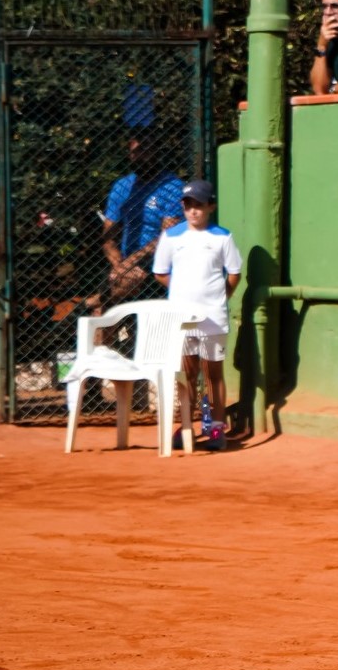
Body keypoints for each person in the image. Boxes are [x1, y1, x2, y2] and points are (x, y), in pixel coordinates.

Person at [153, 179, 242, 452]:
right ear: (183, 206)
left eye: (199, 206)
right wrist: (180, 294)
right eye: (188, 205)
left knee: (213, 374)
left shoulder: (223, 237)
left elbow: (234, 274)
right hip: (181, 319)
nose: (193, 211)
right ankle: (189, 427)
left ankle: (215, 427)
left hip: (213, 318)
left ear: (210, 206)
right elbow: (160, 272)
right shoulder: (171, 237)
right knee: (187, 375)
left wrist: (219, 299)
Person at [100, 117, 184, 305]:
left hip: (159, 262)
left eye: (147, 151)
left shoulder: (172, 187)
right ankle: (96, 311)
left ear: (156, 152)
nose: (141, 156)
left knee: (108, 297)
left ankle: (92, 302)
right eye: (137, 151)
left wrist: (130, 264)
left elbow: (167, 236)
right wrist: (119, 267)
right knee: (108, 301)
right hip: (125, 266)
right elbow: (107, 236)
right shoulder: (122, 186)